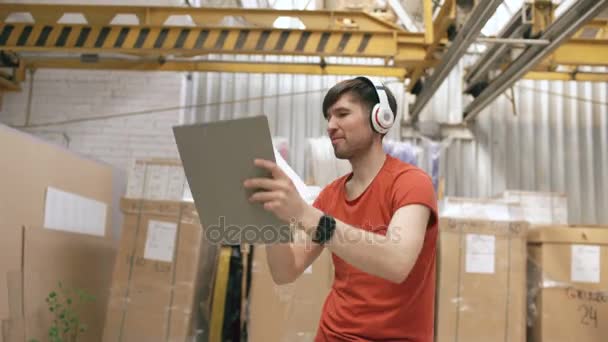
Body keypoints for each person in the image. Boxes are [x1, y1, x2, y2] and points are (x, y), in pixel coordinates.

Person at [243, 76, 438, 342]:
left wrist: (303, 213)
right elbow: (286, 271)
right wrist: (270, 218)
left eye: (342, 114)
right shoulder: (331, 195)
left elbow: (397, 262)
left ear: (380, 118)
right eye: (328, 117)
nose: (330, 126)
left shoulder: (411, 183)